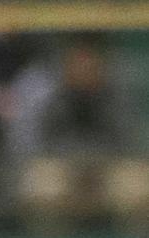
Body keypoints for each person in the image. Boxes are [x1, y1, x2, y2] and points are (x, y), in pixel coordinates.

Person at [10, 33, 149, 228]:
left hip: (106, 164)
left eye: (91, 61)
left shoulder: (117, 88)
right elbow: (28, 143)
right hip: (60, 164)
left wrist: (103, 98)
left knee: (137, 185)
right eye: (78, 61)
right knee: (43, 186)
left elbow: (129, 140)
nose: (85, 67)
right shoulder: (44, 88)